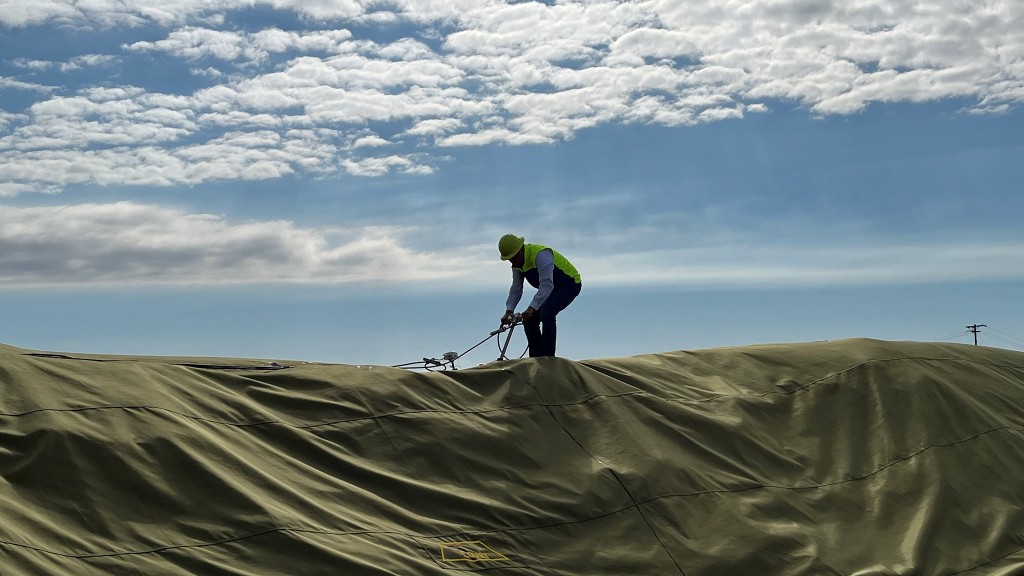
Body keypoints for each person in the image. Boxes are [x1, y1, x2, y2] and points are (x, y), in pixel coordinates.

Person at [498, 234, 582, 357]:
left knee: (547, 313)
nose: (513, 261)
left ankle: (548, 357)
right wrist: (508, 310)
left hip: (569, 284)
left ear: (521, 249)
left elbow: (547, 285)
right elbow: (516, 289)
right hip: (551, 289)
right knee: (530, 320)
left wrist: (531, 308)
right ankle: (536, 358)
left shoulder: (541, 255)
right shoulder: (517, 265)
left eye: (514, 257)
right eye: (510, 259)